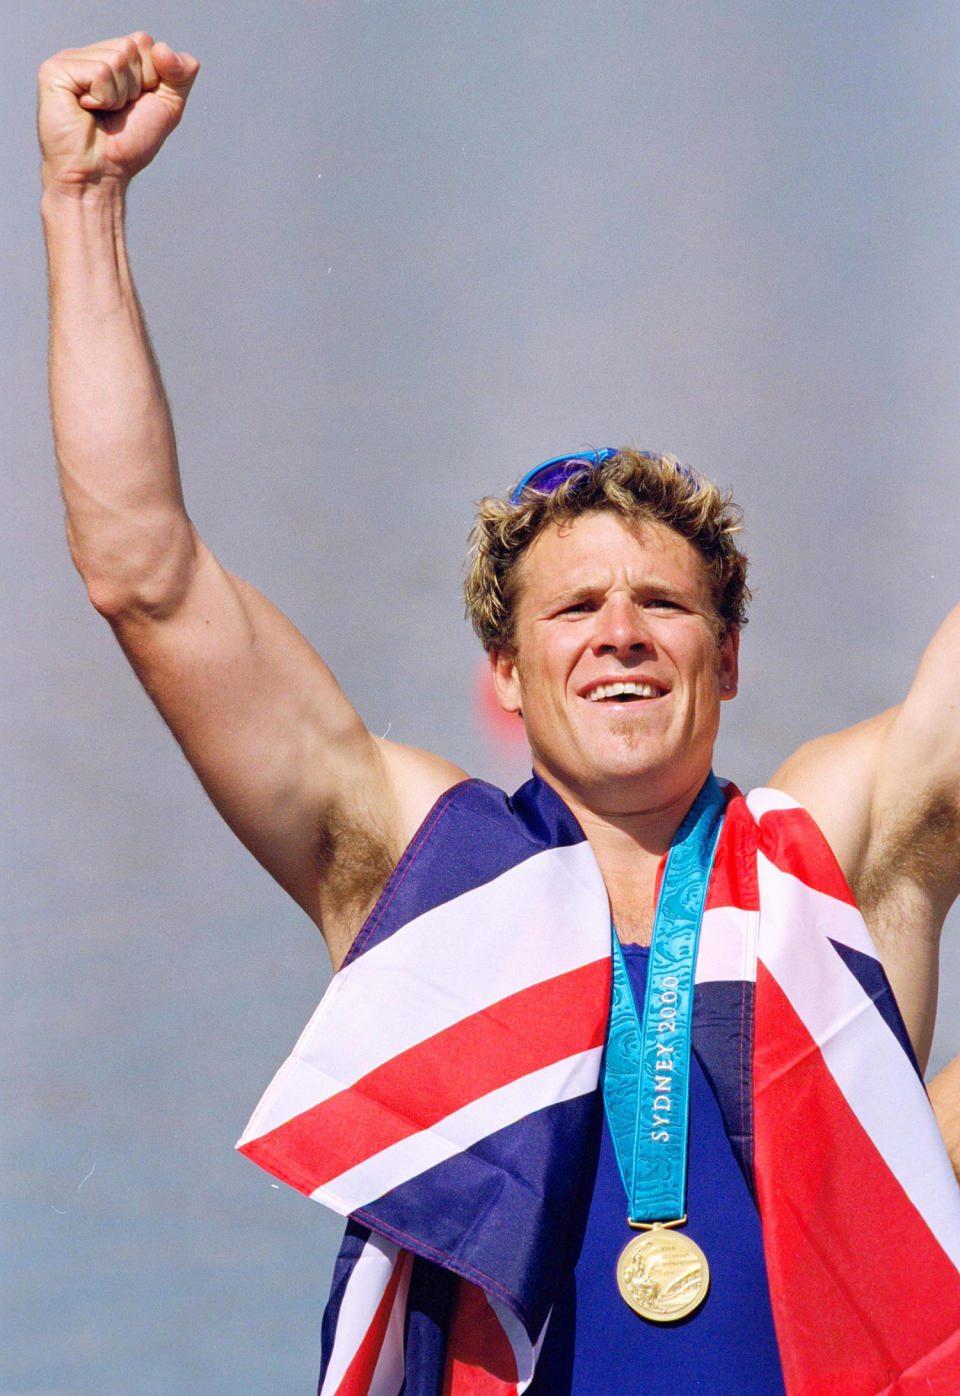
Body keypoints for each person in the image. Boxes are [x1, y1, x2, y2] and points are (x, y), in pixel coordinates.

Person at [38, 32, 960, 1396]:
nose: (623, 634)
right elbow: (146, 580)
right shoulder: (425, 873)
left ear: (732, 656)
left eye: (665, 603)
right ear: (510, 676)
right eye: (574, 610)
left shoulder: (840, 846)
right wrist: (84, 206)